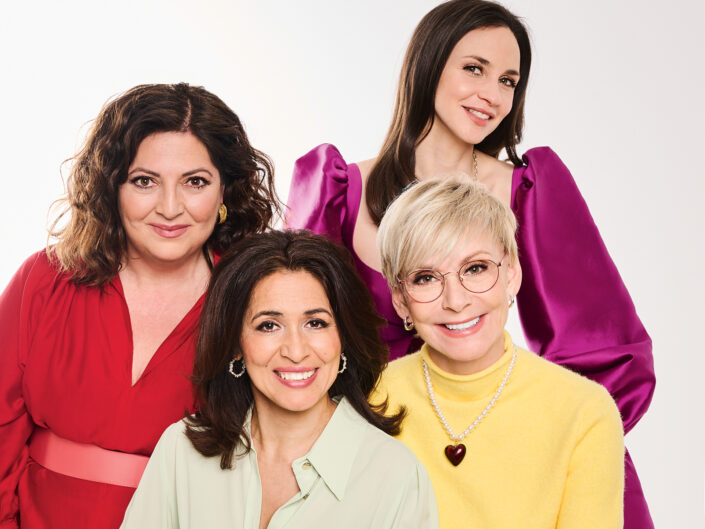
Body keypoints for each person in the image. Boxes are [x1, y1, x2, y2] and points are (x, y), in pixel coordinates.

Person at [284, 1, 654, 526]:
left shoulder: (529, 190)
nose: (492, 95)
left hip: (504, 448)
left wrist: (536, 446)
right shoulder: (339, 190)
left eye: (508, 81)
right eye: (474, 68)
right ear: (429, 65)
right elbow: (292, 332)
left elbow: (604, 350)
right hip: (374, 446)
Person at [0, 83, 279, 529]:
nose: (170, 208)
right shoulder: (45, 279)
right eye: (144, 181)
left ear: (225, 191)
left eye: (195, 182)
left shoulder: (257, 300)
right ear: (112, 187)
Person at [120, 230, 439, 529]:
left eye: (316, 323)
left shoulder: (396, 476)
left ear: (343, 337)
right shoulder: (181, 451)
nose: (296, 351)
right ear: (235, 344)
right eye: (268, 326)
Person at [374, 178, 624, 528]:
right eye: (426, 277)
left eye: (475, 268)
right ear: (401, 300)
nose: (456, 301)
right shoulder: (369, 399)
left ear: (511, 274)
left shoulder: (584, 411)